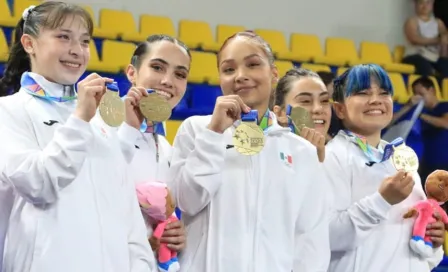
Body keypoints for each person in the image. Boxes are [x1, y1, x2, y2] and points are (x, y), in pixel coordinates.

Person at [0, 2, 156, 271]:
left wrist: (141, 263)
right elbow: (39, 183)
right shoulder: (8, 111)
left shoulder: (98, 116)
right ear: (29, 43)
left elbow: (123, 203)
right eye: (63, 37)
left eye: (84, 41)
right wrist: (80, 117)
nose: (77, 50)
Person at [167, 31, 330, 271]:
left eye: (253, 64)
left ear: (273, 73)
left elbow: (310, 239)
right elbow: (188, 202)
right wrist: (214, 133)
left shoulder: (301, 151)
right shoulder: (196, 129)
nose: (241, 76)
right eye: (229, 69)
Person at [324, 64, 445, 272]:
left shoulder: (402, 156)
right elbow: (327, 237)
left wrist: (432, 240)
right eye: (362, 93)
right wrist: (382, 201)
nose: (376, 100)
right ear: (339, 108)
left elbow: (416, 243)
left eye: (384, 92)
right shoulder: (332, 157)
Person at [122, 35, 190, 253]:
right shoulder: (98, 128)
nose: (168, 81)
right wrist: (140, 242)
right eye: (158, 67)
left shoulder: (166, 147)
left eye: (180, 74)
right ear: (132, 72)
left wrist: (173, 233)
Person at [273, 67, 331, 162]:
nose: (318, 109)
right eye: (305, 101)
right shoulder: (266, 157)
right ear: (280, 113)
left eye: (324, 100)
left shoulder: (340, 160)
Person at [402, 0, 448, 80]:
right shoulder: (412, 21)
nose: (424, 6)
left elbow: (444, 40)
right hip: (415, 55)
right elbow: (414, 39)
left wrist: (443, 57)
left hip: (434, 57)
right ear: (416, 5)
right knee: (426, 69)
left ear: (432, 4)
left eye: (428, 3)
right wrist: (438, 40)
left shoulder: (439, 23)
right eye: (421, 3)